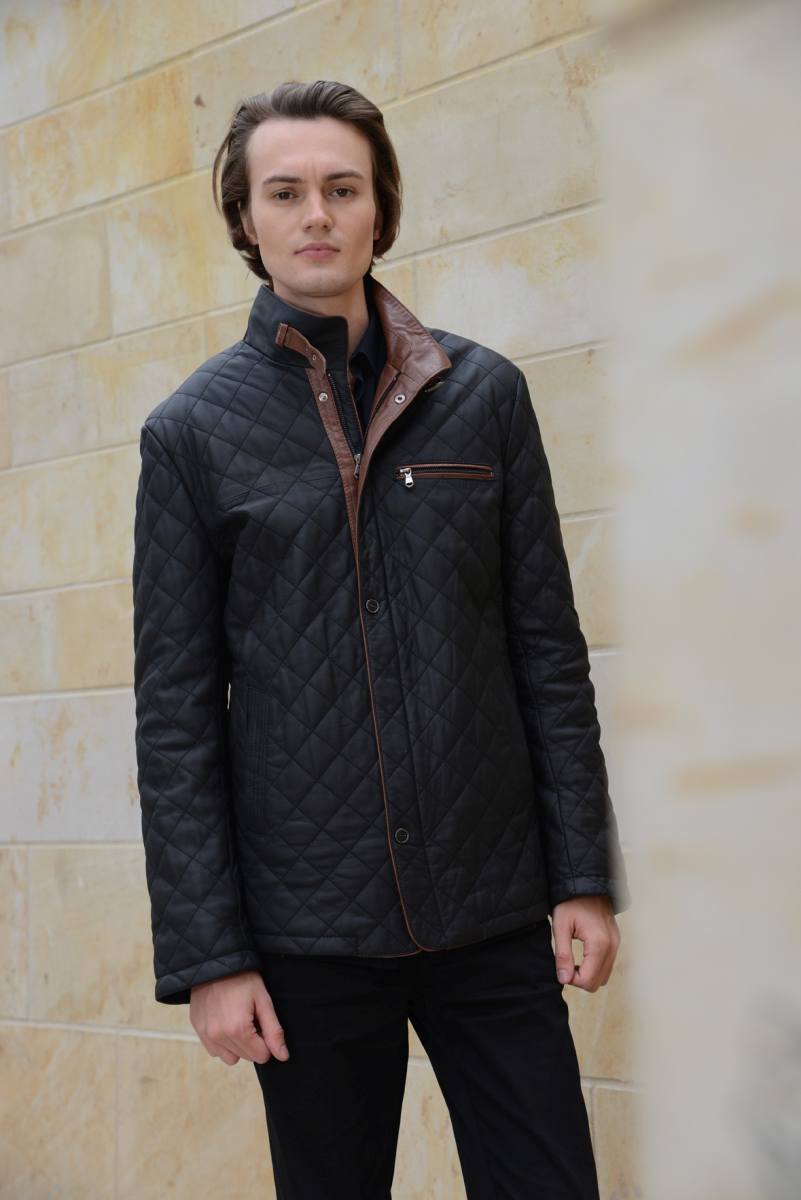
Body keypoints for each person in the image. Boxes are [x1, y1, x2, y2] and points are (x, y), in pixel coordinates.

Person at [132, 78, 631, 1199]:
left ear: (379, 208)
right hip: (307, 934)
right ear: (246, 219)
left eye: (342, 188)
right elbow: (175, 720)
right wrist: (212, 958)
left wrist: (582, 876)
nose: (316, 213)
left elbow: (548, 654)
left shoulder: (483, 394)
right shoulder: (189, 436)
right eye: (285, 192)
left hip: (494, 909)